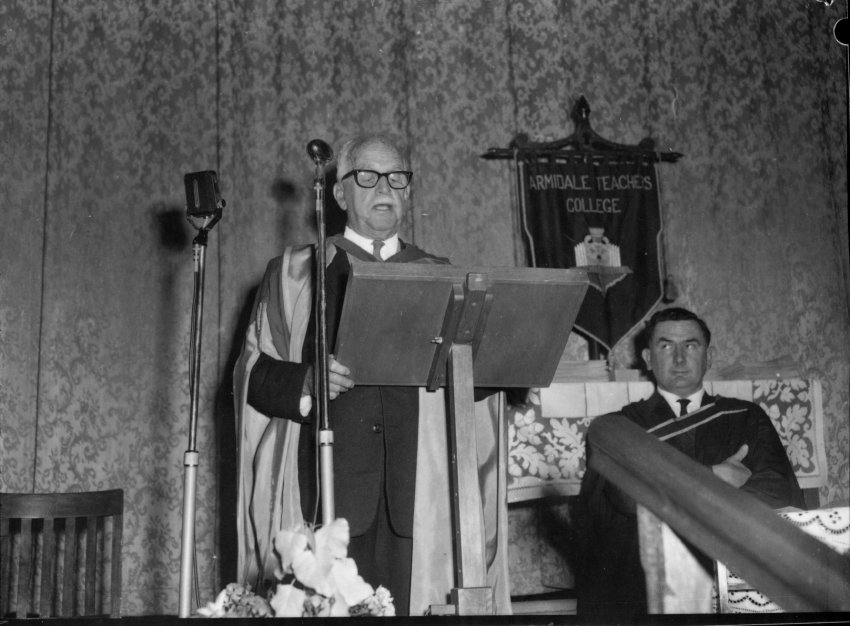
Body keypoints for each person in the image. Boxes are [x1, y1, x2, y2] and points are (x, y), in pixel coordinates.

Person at [233, 133, 510, 616]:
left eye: (397, 178)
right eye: (368, 176)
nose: (384, 188)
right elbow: (252, 373)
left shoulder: (442, 276)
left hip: (420, 494)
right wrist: (304, 382)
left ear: (407, 191)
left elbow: (479, 386)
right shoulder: (296, 273)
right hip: (325, 484)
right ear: (340, 194)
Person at [575, 306, 804, 618]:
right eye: (666, 346)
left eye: (691, 346)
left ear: (708, 356)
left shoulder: (746, 417)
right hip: (647, 577)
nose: (679, 358)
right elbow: (625, 497)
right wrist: (712, 477)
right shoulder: (622, 425)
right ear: (647, 359)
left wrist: (680, 501)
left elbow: (776, 488)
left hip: (731, 563)